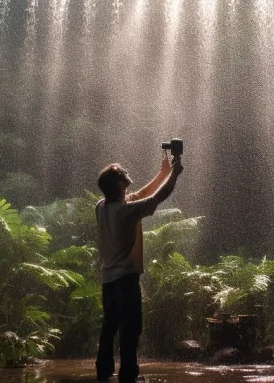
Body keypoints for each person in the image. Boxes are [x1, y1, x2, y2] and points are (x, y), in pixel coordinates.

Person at [94, 153, 184, 382]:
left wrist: (162, 173)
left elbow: (141, 194)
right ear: (119, 184)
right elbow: (158, 197)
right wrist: (174, 175)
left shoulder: (102, 206)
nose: (127, 173)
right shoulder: (126, 212)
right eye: (123, 173)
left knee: (110, 325)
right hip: (126, 280)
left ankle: (103, 372)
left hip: (108, 280)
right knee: (130, 328)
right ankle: (129, 375)